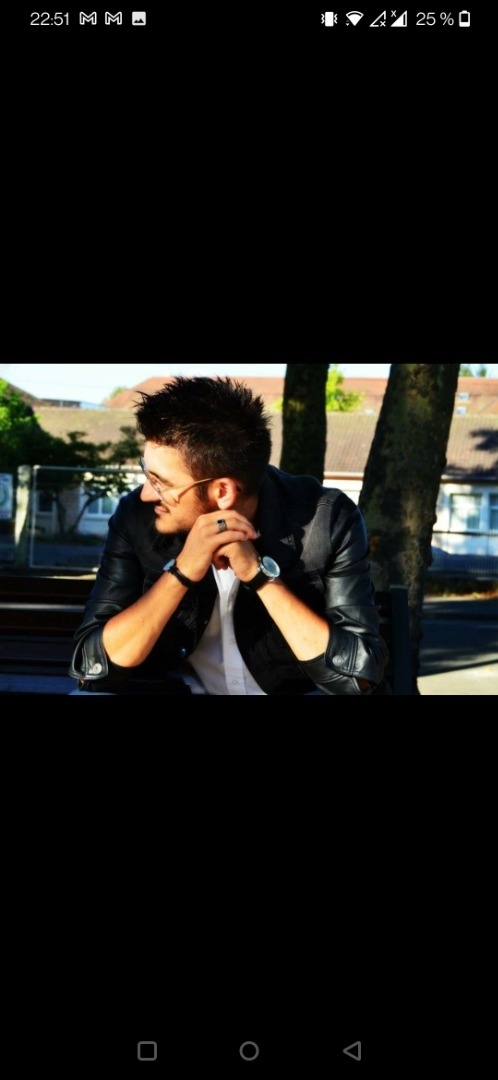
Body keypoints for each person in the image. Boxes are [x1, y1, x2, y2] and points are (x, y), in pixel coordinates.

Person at [69, 376, 389, 696]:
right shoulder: (137, 518)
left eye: (161, 482)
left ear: (222, 491)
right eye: (146, 473)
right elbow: (94, 668)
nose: (146, 495)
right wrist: (181, 573)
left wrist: (260, 576)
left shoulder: (325, 519)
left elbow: (355, 680)